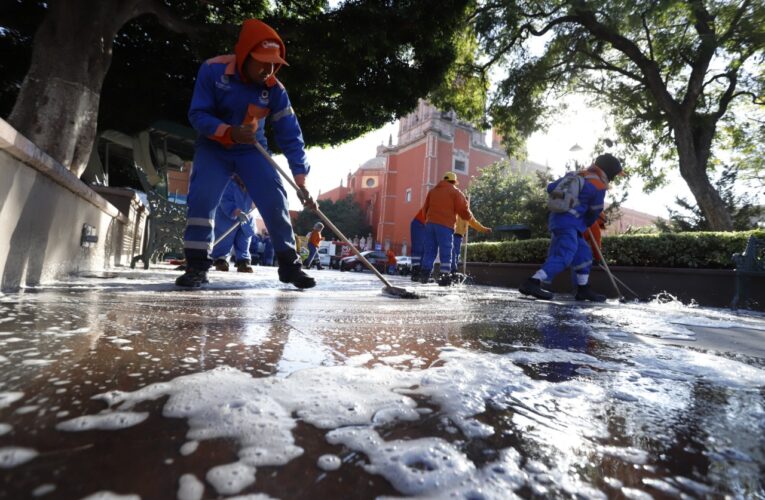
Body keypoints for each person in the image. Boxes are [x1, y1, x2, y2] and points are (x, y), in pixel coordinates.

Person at [175, 18, 316, 289]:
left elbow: (291, 134)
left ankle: (290, 266)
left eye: (274, 63)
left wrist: (301, 180)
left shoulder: (275, 89)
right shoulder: (212, 70)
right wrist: (228, 130)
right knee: (202, 200)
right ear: (244, 55)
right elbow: (198, 114)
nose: (269, 69)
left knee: (275, 199)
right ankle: (196, 266)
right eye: (262, 61)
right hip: (213, 146)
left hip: (252, 149)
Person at [519, 154, 623, 301]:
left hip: (558, 220)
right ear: (610, 171)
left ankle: (583, 289)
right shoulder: (599, 185)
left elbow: (550, 188)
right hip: (570, 224)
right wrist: (585, 222)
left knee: (584, 254)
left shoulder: (577, 175)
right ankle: (533, 282)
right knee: (564, 255)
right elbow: (595, 212)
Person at [420, 171, 490, 286]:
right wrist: (468, 217)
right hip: (445, 225)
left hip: (430, 224)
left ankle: (424, 274)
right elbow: (464, 211)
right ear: (454, 182)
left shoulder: (432, 191)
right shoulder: (455, 192)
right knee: (446, 250)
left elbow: (425, 209)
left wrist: (428, 221)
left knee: (429, 250)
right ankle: (445, 276)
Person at [211, 176, 257, 273]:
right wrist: (236, 211)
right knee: (224, 240)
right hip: (227, 217)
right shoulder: (228, 183)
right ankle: (221, 259)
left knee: (244, 240)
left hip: (246, 218)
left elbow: (258, 199)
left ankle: (243, 261)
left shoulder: (253, 185)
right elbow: (224, 199)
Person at [409, 207, 426, 281]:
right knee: (418, 248)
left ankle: (420, 272)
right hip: (419, 223)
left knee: (424, 249)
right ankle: (416, 271)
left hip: (423, 225)